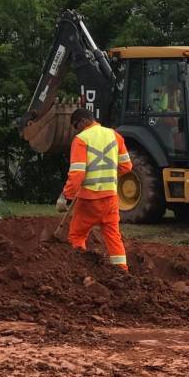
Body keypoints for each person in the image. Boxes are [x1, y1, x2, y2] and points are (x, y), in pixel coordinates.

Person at [58, 108, 133, 270]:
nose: (76, 130)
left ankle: (80, 270)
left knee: (77, 235)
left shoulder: (81, 139)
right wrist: (108, 174)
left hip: (88, 200)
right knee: (113, 236)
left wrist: (66, 195)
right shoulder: (115, 135)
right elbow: (127, 166)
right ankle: (122, 271)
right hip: (111, 199)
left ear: (84, 121)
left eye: (76, 125)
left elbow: (77, 174)